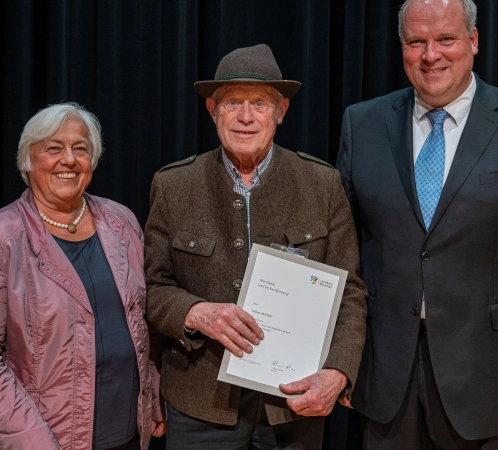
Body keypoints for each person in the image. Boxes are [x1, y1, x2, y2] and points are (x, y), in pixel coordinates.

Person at [336, 0, 498, 448]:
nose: (431, 55)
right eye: (416, 42)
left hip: (489, 378)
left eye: (445, 39)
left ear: (473, 41)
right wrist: (337, 360)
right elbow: (341, 253)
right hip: (383, 375)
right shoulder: (362, 123)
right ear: (402, 48)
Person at [143, 44, 367, 450]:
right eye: (233, 103)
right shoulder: (174, 185)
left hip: (293, 402)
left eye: (260, 103)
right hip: (200, 401)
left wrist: (338, 372)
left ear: (281, 112)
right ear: (212, 109)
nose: (246, 117)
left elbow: (349, 293)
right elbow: (153, 287)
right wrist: (195, 312)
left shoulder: (322, 184)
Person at [0, 103, 166, 450]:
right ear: (28, 160)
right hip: (40, 441)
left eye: (80, 149)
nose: (69, 159)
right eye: (53, 148)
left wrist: (151, 396)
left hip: (125, 436)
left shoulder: (121, 222)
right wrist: (35, 443)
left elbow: (142, 323)